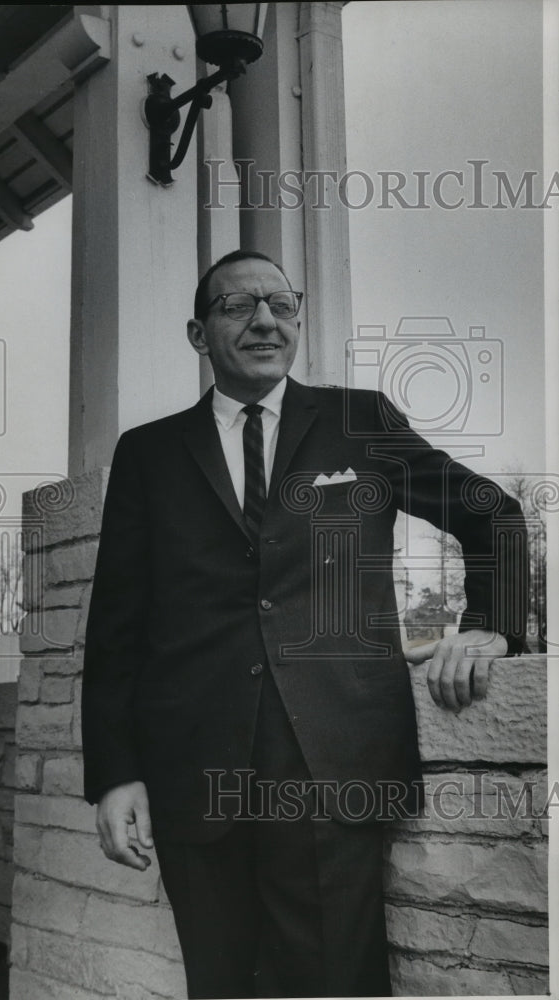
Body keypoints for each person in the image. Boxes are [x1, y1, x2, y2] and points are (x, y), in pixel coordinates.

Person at [81, 249, 528, 999]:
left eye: (281, 305)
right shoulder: (149, 453)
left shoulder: (360, 424)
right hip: (194, 770)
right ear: (198, 334)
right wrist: (115, 773)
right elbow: (117, 624)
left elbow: (494, 516)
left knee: (332, 984)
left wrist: (489, 627)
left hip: (333, 764)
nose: (264, 320)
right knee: (219, 985)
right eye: (237, 307)